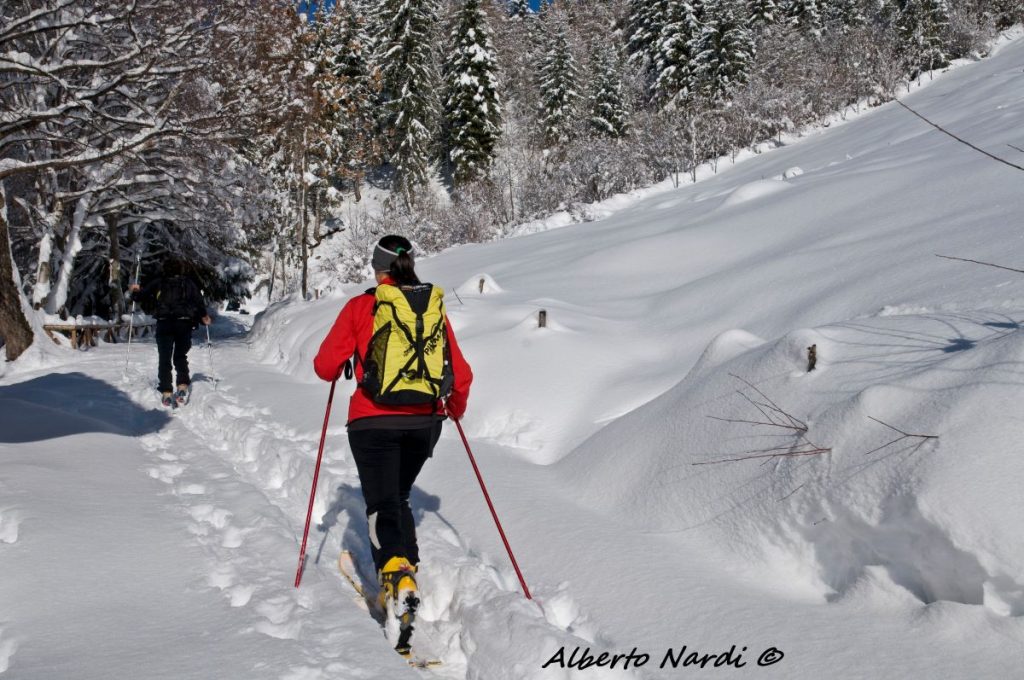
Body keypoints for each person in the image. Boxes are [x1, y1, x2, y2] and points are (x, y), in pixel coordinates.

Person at [313, 235, 472, 623]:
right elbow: (461, 373)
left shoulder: (362, 306)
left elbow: (324, 366)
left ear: (375, 267)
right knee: (398, 497)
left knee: (381, 503)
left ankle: (397, 576)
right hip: (425, 422)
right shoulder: (429, 308)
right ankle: (407, 573)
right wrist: (454, 408)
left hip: (372, 420)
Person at [129, 257, 211, 407]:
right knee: (180, 355)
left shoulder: (159, 282)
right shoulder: (188, 283)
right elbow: (198, 301)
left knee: (164, 357)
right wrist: (204, 316)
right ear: (181, 269)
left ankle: (166, 391)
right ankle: (182, 386)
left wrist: (135, 291)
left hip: (164, 323)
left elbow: (141, 296)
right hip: (184, 323)